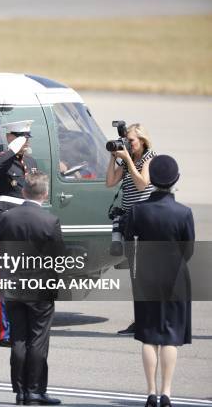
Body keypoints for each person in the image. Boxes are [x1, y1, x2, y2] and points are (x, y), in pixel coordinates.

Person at [123, 155, 194, 407]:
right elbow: (189, 251)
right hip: (175, 278)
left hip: (146, 276)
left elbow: (127, 241)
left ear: (151, 179)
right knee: (170, 337)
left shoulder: (138, 210)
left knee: (149, 335)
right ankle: (166, 393)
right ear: (175, 180)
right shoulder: (184, 212)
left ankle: (151, 392)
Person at [0, 172, 62, 406]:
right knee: (38, 340)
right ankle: (35, 391)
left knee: (18, 339)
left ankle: (21, 391)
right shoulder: (50, 221)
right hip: (40, 287)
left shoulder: (6, 218)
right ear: (44, 194)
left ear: (24, 192)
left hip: (13, 284)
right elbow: (58, 257)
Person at [0, 120, 38, 347]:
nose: (26, 142)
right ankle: (5, 332)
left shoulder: (31, 162)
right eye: (21, 137)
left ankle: (22, 328)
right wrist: (12, 150)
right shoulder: (0, 160)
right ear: (11, 138)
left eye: (27, 138)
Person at [105, 123, 156, 335]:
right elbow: (110, 182)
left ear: (142, 141)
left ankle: (148, 320)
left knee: (144, 274)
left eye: (132, 141)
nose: (129, 144)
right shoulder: (128, 159)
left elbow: (142, 183)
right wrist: (113, 157)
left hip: (144, 221)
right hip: (128, 220)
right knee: (135, 274)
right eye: (126, 141)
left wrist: (127, 160)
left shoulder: (149, 157)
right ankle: (140, 320)